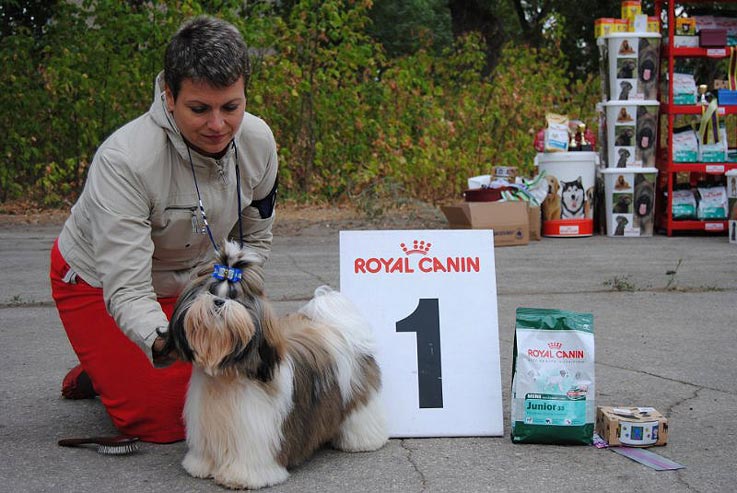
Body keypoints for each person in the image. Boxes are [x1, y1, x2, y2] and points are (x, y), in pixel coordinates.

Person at [49, 16, 278, 443]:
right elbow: (129, 290)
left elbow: (254, 240)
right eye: (199, 109)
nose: (218, 125)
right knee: (173, 420)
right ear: (169, 96)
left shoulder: (260, 142)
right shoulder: (125, 161)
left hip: (192, 282)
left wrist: (237, 305)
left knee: (247, 387)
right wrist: (164, 340)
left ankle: (120, 366)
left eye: (231, 106)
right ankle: (101, 368)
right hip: (98, 282)